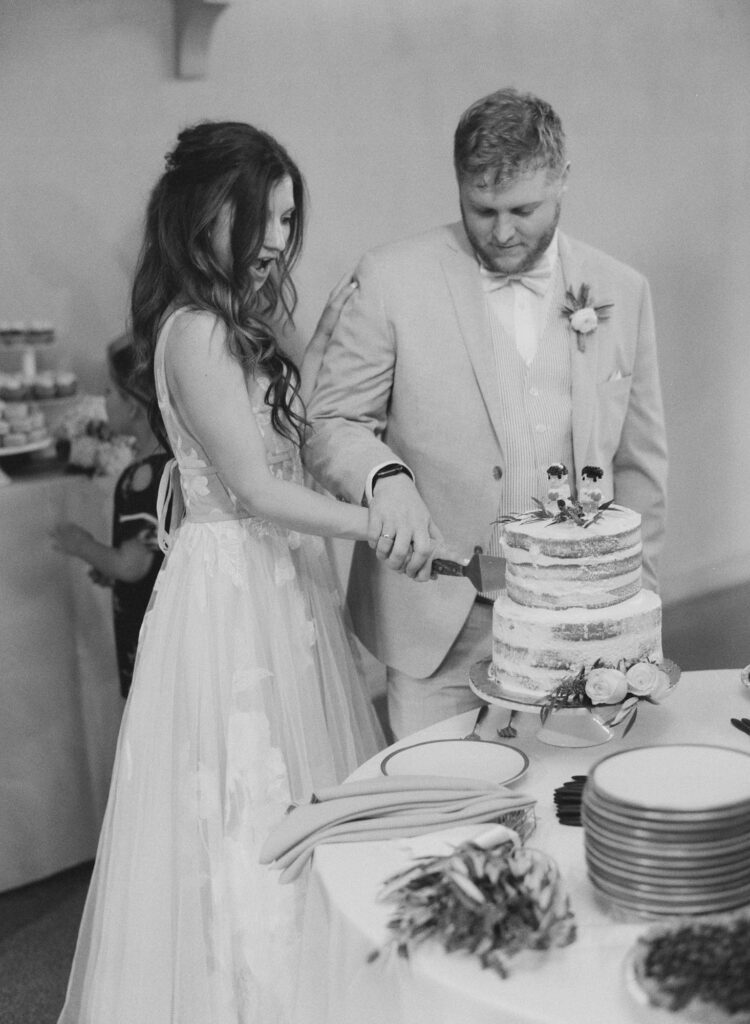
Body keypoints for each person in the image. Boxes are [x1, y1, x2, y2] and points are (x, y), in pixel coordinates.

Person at [57, 121, 385, 1024]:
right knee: (248, 794)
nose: (280, 239)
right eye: (266, 218)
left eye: (288, 220)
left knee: (305, 780)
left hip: (280, 582)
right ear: (210, 215)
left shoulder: (237, 320)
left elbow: (291, 435)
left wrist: (324, 334)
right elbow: (254, 489)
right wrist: (379, 525)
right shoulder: (193, 332)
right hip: (235, 589)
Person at [304, 87, 668, 739]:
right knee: (449, 816)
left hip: (582, 623)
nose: (501, 232)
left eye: (522, 210)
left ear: (562, 180)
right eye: (481, 209)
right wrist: (385, 480)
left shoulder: (622, 290)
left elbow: (640, 466)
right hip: (436, 624)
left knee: (573, 804)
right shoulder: (390, 279)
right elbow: (331, 423)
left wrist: (629, 607)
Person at [51, 335, 170, 698]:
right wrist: (113, 568)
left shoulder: (141, 477)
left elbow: (132, 565)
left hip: (145, 632)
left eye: (109, 392)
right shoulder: (164, 464)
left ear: (133, 407)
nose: (103, 400)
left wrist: (83, 545)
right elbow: (147, 555)